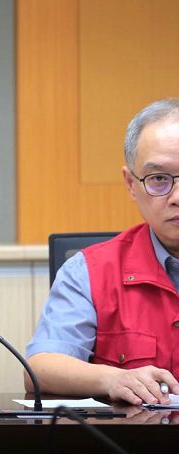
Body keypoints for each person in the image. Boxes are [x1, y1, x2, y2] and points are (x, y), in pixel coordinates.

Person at [25, 98, 179, 406]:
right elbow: (40, 368)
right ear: (131, 184)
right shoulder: (89, 271)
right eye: (159, 179)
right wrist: (114, 378)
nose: (177, 197)